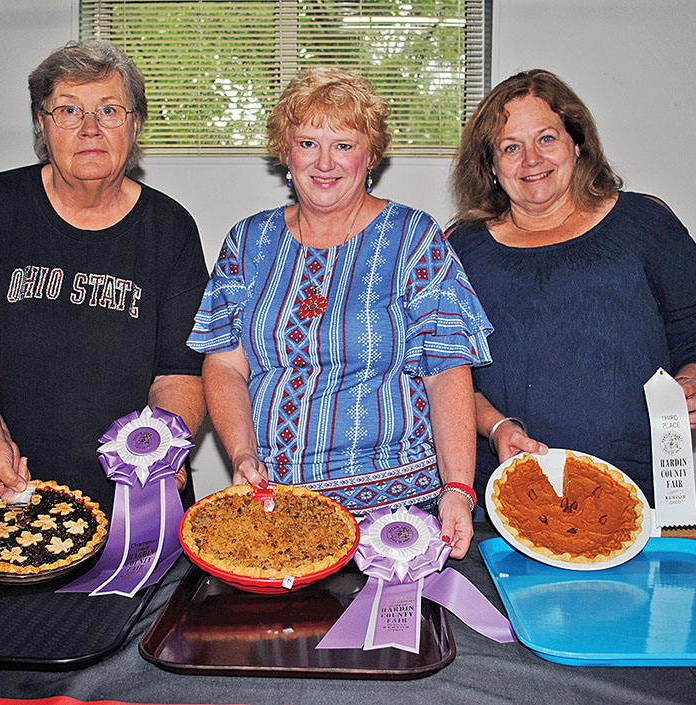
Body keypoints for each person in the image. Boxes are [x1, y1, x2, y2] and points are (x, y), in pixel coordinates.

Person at [188, 67, 492, 558]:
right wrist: (242, 453)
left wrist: (458, 487)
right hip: (278, 509)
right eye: (308, 143)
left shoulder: (415, 239)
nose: (324, 162)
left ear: (370, 155)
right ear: (285, 152)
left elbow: (446, 371)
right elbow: (224, 363)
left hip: (394, 518)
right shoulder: (247, 242)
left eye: (344, 146)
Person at [0, 40, 207, 514]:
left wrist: (161, 451)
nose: (90, 128)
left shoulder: (170, 230)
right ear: (41, 125)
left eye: (109, 110)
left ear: (135, 124)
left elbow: (180, 372)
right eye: (69, 110)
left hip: (128, 508)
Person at [447, 69, 696, 504]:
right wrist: (497, 428)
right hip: (508, 493)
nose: (531, 159)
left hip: (634, 488)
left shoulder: (645, 223)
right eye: (511, 147)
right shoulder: (459, 249)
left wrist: (692, 382)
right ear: (490, 165)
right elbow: (443, 372)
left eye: (546, 138)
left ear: (577, 143)